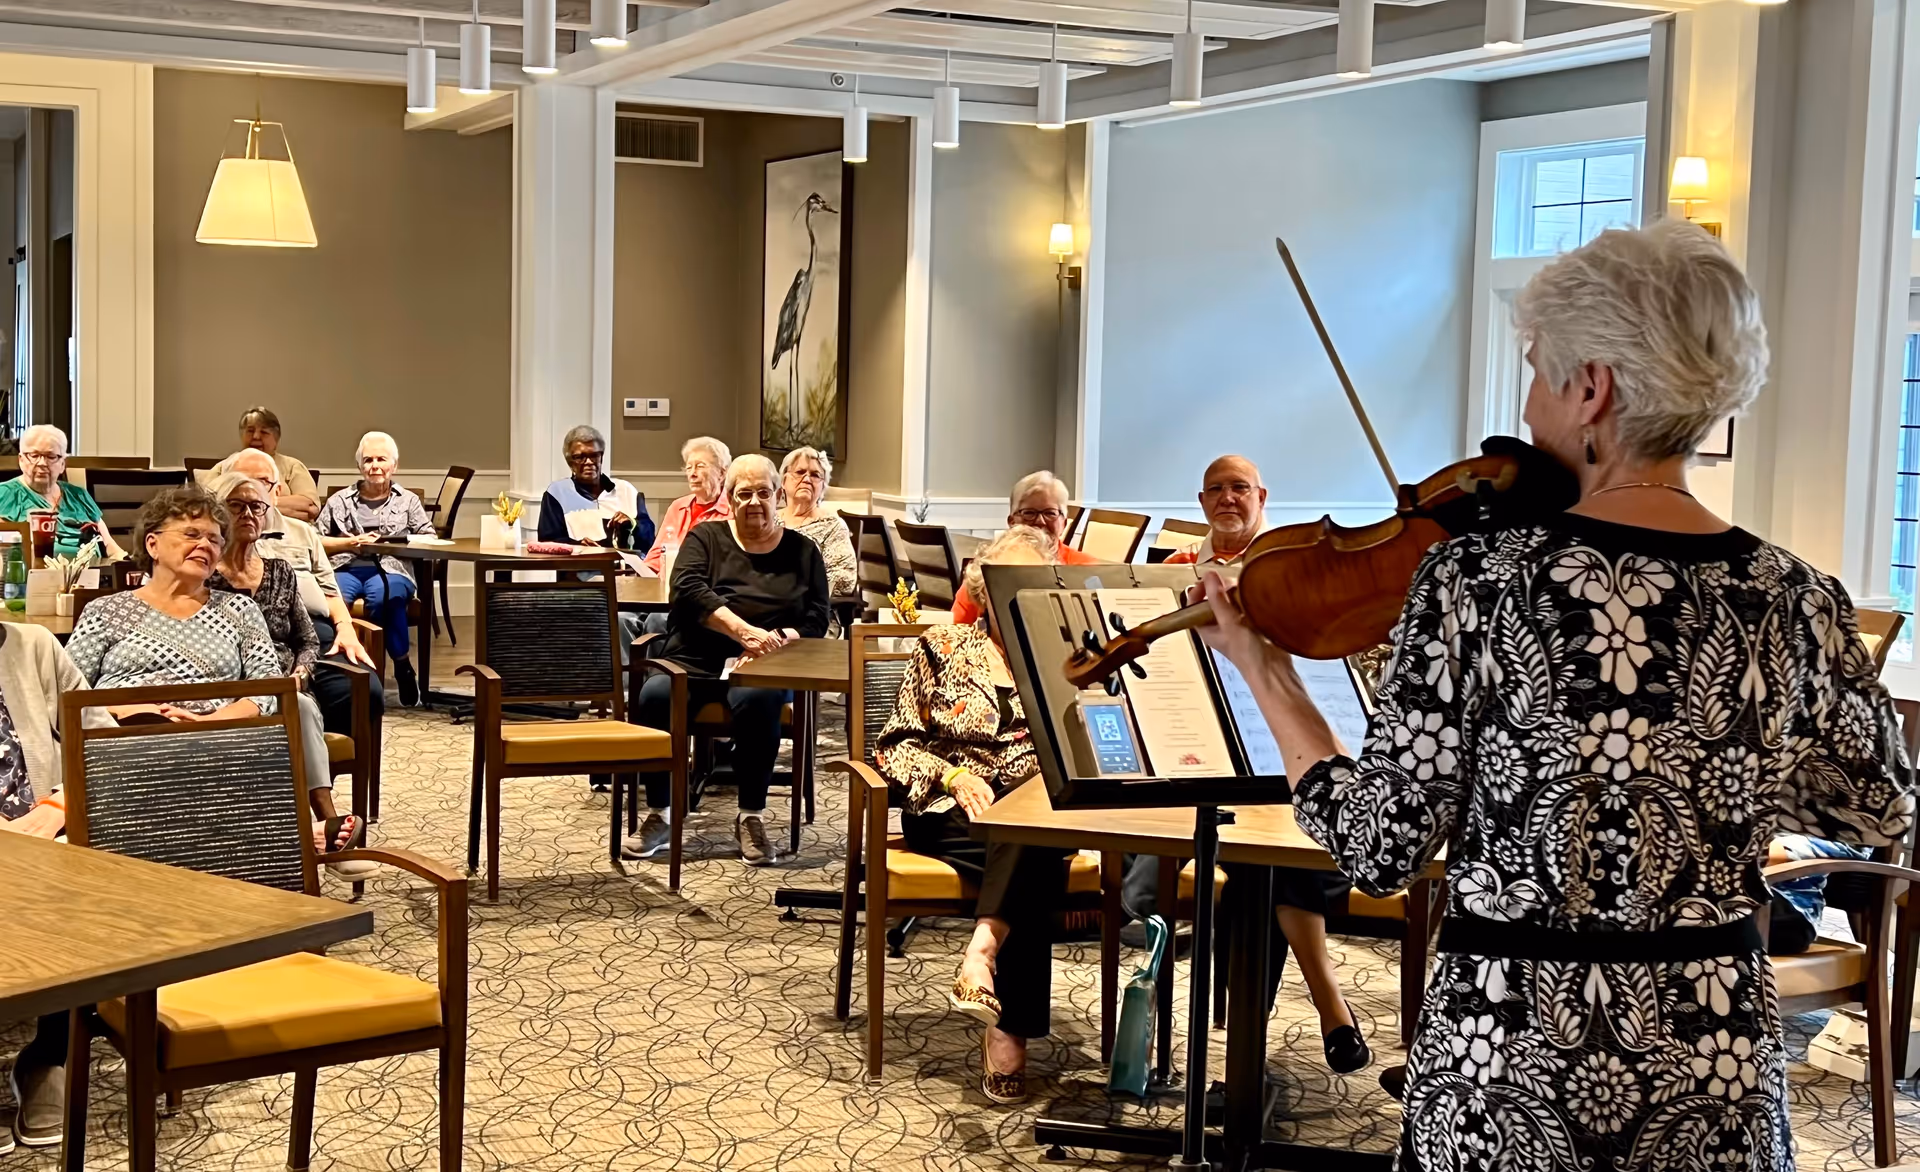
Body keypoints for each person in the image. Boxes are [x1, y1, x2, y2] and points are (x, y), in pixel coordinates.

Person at [1201, 221, 1913, 1170]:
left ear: (1593, 389)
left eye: (1537, 373)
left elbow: (1380, 845)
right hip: (1712, 1064)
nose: (1527, 410)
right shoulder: (1795, 598)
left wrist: (1267, 673)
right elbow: (1876, 805)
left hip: (1506, 1060)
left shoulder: (1477, 583)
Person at [871, 526, 1068, 1104]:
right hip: (951, 810)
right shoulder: (943, 645)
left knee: (1029, 825)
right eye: (1005, 581)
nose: (1017, 593)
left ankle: (982, 952)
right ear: (981, 588)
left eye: (1031, 582)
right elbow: (893, 744)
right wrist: (955, 776)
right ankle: (1008, 1031)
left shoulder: (1068, 654)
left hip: (1042, 812)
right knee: (1034, 853)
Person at [65, 486, 365, 853]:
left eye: (215, 539)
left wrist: (212, 720)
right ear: (153, 544)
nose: (206, 545)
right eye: (192, 534)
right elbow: (69, 692)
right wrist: (126, 711)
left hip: (222, 732)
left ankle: (290, 839)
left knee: (269, 725)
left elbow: (268, 687)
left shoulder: (238, 610)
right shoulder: (105, 611)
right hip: (128, 732)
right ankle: (297, 836)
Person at [625, 454, 829, 866]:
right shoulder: (707, 538)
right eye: (744, 494)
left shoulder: (803, 551)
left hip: (768, 662)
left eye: (764, 493)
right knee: (654, 695)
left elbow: (817, 616)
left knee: (760, 700)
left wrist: (779, 638)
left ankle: (751, 815)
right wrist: (742, 632)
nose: (755, 502)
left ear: (778, 496)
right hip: (697, 653)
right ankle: (660, 813)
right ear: (731, 501)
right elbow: (686, 589)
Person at [203, 472, 372, 878]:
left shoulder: (280, 571)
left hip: (286, 683)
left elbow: (308, 640)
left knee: (300, 704)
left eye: (256, 506)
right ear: (219, 514)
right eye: (237, 505)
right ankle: (312, 832)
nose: (247, 513)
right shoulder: (205, 574)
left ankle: (326, 827)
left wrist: (301, 670)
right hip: (229, 689)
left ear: (267, 516)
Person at [0, 621, 113, 1151]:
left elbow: (103, 738)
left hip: (48, 832)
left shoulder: (35, 645)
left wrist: (58, 807)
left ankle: (49, 1052)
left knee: (99, 884)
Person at [225, 448, 385, 735]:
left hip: (312, 631)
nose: (253, 491)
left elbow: (330, 592)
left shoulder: (303, 533)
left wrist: (346, 629)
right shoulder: (216, 539)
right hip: (249, 637)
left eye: (262, 482)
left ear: (276, 492)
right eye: (241, 484)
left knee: (363, 692)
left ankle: (325, 763)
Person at [315, 431, 436, 707]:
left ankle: (402, 665)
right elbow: (315, 539)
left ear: (394, 465)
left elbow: (428, 536)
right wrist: (349, 542)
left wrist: (394, 543)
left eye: (382, 459)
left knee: (387, 596)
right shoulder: (339, 501)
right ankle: (341, 671)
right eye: (368, 460)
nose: (375, 466)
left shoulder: (407, 501)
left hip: (391, 568)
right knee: (330, 601)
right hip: (346, 566)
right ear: (360, 466)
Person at [948, 471, 1100, 626]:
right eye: (1029, 513)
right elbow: (956, 628)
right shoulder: (988, 567)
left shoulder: (1085, 569)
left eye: (1050, 513)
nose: (1040, 521)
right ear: (1012, 521)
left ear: (1064, 523)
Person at [0, 424, 124, 560]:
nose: (42, 463)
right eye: (34, 455)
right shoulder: (5, 495)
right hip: (35, 577)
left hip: (94, 576)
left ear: (62, 464)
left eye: (50, 456)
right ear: (21, 460)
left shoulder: (79, 496)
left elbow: (110, 547)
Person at [537, 424, 654, 551]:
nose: (589, 462)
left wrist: (632, 524)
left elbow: (649, 538)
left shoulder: (626, 490)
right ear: (570, 462)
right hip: (580, 567)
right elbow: (546, 542)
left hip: (625, 567)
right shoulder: (557, 493)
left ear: (601, 457)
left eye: (594, 455)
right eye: (580, 457)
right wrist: (576, 546)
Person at [210, 406, 321, 522]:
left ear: (276, 439)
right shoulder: (224, 466)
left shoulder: (292, 466)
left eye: (264, 432)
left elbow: (310, 509)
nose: (256, 436)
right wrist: (280, 505)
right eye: (250, 431)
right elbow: (211, 504)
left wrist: (243, 505)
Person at [641, 437, 733, 573]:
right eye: (689, 468)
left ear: (722, 473)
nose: (692, 474)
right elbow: (656, 555)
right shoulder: (678, 507)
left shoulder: (732, 511)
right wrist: (644, 574)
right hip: (665, 583)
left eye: (700, 466)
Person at [778, 445, 856, 599]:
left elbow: (843, 580)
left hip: (808, 610)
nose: (806, 479)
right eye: (800, 472)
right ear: (783, 481)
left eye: (815, 475)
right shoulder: (769, 520)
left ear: (822, 486)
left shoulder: (833, 526)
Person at [1164, 454, 1267, 565]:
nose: (1227, 499)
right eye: (1215, 489)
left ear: (1260, 498)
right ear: (1202, 501)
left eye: (1239, 487)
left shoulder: (1286, 559)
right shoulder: (1178, 563)